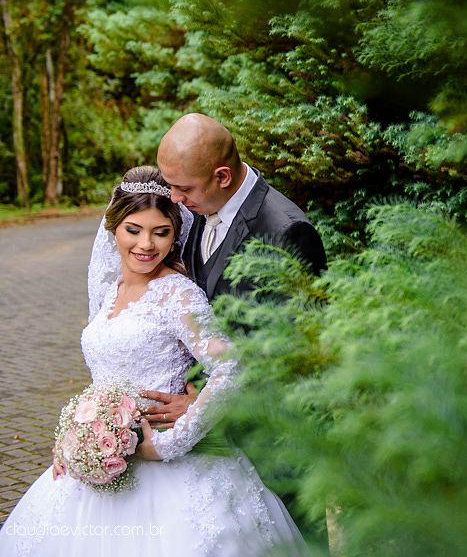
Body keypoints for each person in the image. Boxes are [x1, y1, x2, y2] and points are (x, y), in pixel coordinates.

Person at [0, 167, 305, 556]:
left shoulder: (176, 295)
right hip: (100, 466)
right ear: (113, 228)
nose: (146, 244)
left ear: (175, 234)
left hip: (170, 474)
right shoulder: (110, 290)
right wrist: (76, 439)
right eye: (134, 229)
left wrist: (170, 443)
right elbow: (104, 375)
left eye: (161, 232)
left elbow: (232, 367)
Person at [144, 113, 327, 423]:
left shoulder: (287, 232)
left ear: (223, 177)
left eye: (183, 188)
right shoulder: (204, 203)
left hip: (263, 429)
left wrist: (204, 405)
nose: (174, 198)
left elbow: (293, 354)